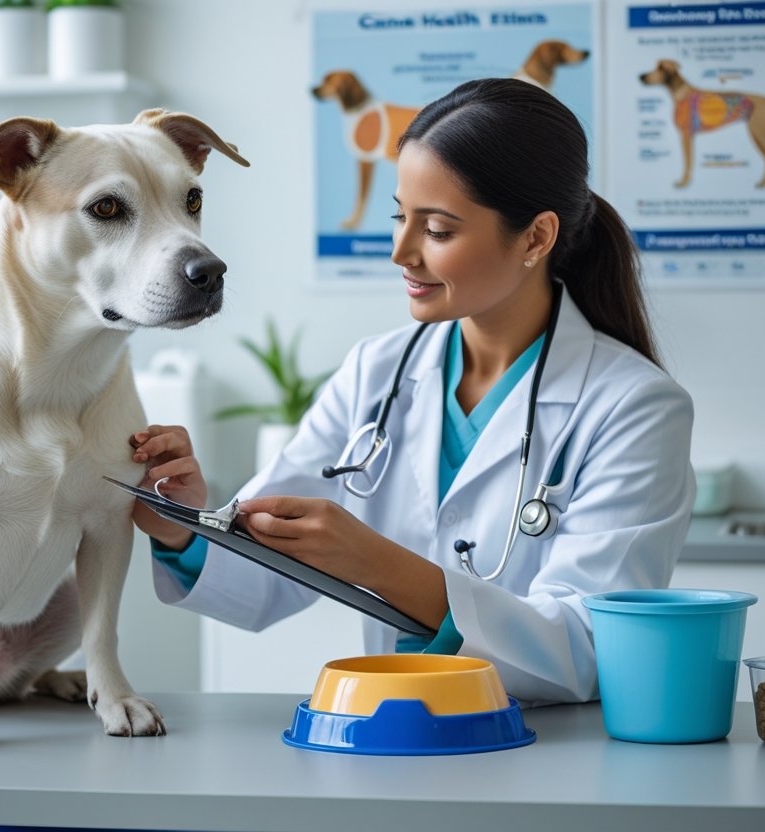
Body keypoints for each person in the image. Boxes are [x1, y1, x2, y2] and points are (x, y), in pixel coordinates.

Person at [129, 78, 695, 706]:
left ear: (535, 238)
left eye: (439, 231)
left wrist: (376, 562)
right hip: (395, 732)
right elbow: (267, 577)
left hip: (547, 753)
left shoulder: (635, 407)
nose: (401, 251)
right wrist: (180, 524)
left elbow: (588, 648)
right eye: (400, 217)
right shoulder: (377, 371)